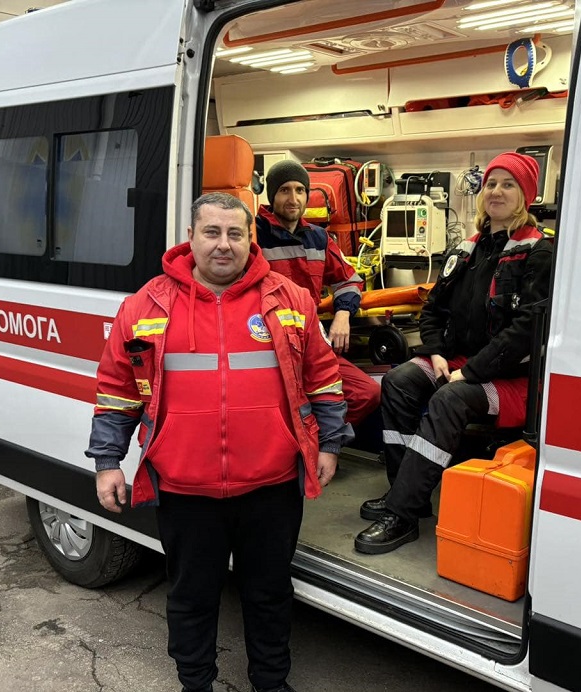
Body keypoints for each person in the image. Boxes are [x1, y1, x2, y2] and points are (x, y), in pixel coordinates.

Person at [85, 192, 354, 692]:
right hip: (186, 489)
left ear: (251, 238)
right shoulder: (146, 305)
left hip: (272, 486)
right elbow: (117, 389)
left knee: (270, 594)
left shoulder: (290, 299)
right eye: (212, 232)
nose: (224, 245)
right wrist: (107, 461)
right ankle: (196, 684)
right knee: (192, 596)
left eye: (235, 233)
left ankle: (271, 683)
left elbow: (323, 378)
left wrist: (331, 445)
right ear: (191, 238)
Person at [353, 152, 553, 555]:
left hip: (508, 376)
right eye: (491, 183)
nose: (496, 191)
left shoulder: (539, 253)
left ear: (526, 195)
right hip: (458, 361)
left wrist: (472, 371)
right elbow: (434, 308)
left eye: (508, 184)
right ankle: (406, 493)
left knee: (448, 398)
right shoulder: (467, 248)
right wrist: (437, 351)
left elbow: (526, 330)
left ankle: (402, 515)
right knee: (399, 381)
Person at [256, 160, 381, 426]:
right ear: (272, 194)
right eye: (285, 190)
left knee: (367, 394)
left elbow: (348, 279)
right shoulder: (253, 236)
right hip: (268, 346)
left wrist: (343, 314)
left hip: (311, 343)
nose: (293, 198)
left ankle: (320, 442)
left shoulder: (319, 238)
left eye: (300, 190)